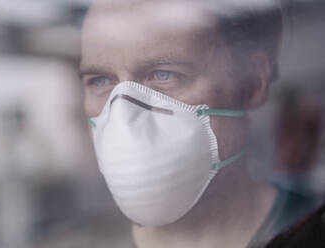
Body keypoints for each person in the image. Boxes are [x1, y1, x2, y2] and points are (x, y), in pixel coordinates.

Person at [78, 0, 323, 247]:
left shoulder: (311, 231)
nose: (125, 116)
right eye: (100, 81)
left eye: (164, 75)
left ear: (252, 84)